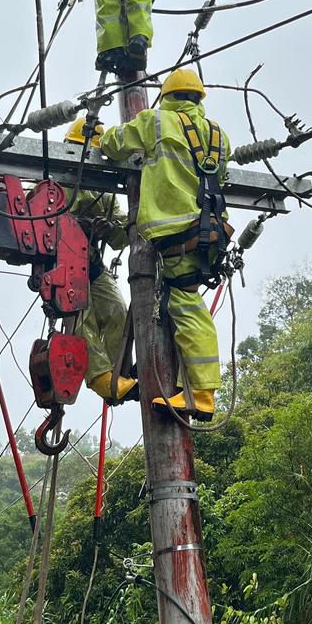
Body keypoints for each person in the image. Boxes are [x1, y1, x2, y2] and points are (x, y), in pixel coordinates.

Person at [98, 69, 231, 420]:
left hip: (178, 231)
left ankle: (201, 394)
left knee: (186, 306)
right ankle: (190, 389)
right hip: (211, 232)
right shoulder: (218, 135)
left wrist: (98, 137)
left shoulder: (157, 122)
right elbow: (222, 178)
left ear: (168, 97)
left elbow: (114, 144)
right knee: (182, 300)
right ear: (199, 99)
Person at [64, 118, 137, 403]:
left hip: (91, 264)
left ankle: (120, 369)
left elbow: (122, 238)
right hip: (62, 263)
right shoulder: (60, 181)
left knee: (118, 309)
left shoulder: (103, 192)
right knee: (83, 316)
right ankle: (101, 377)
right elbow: (48, 220)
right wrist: (81, 225)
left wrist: (111, 229)